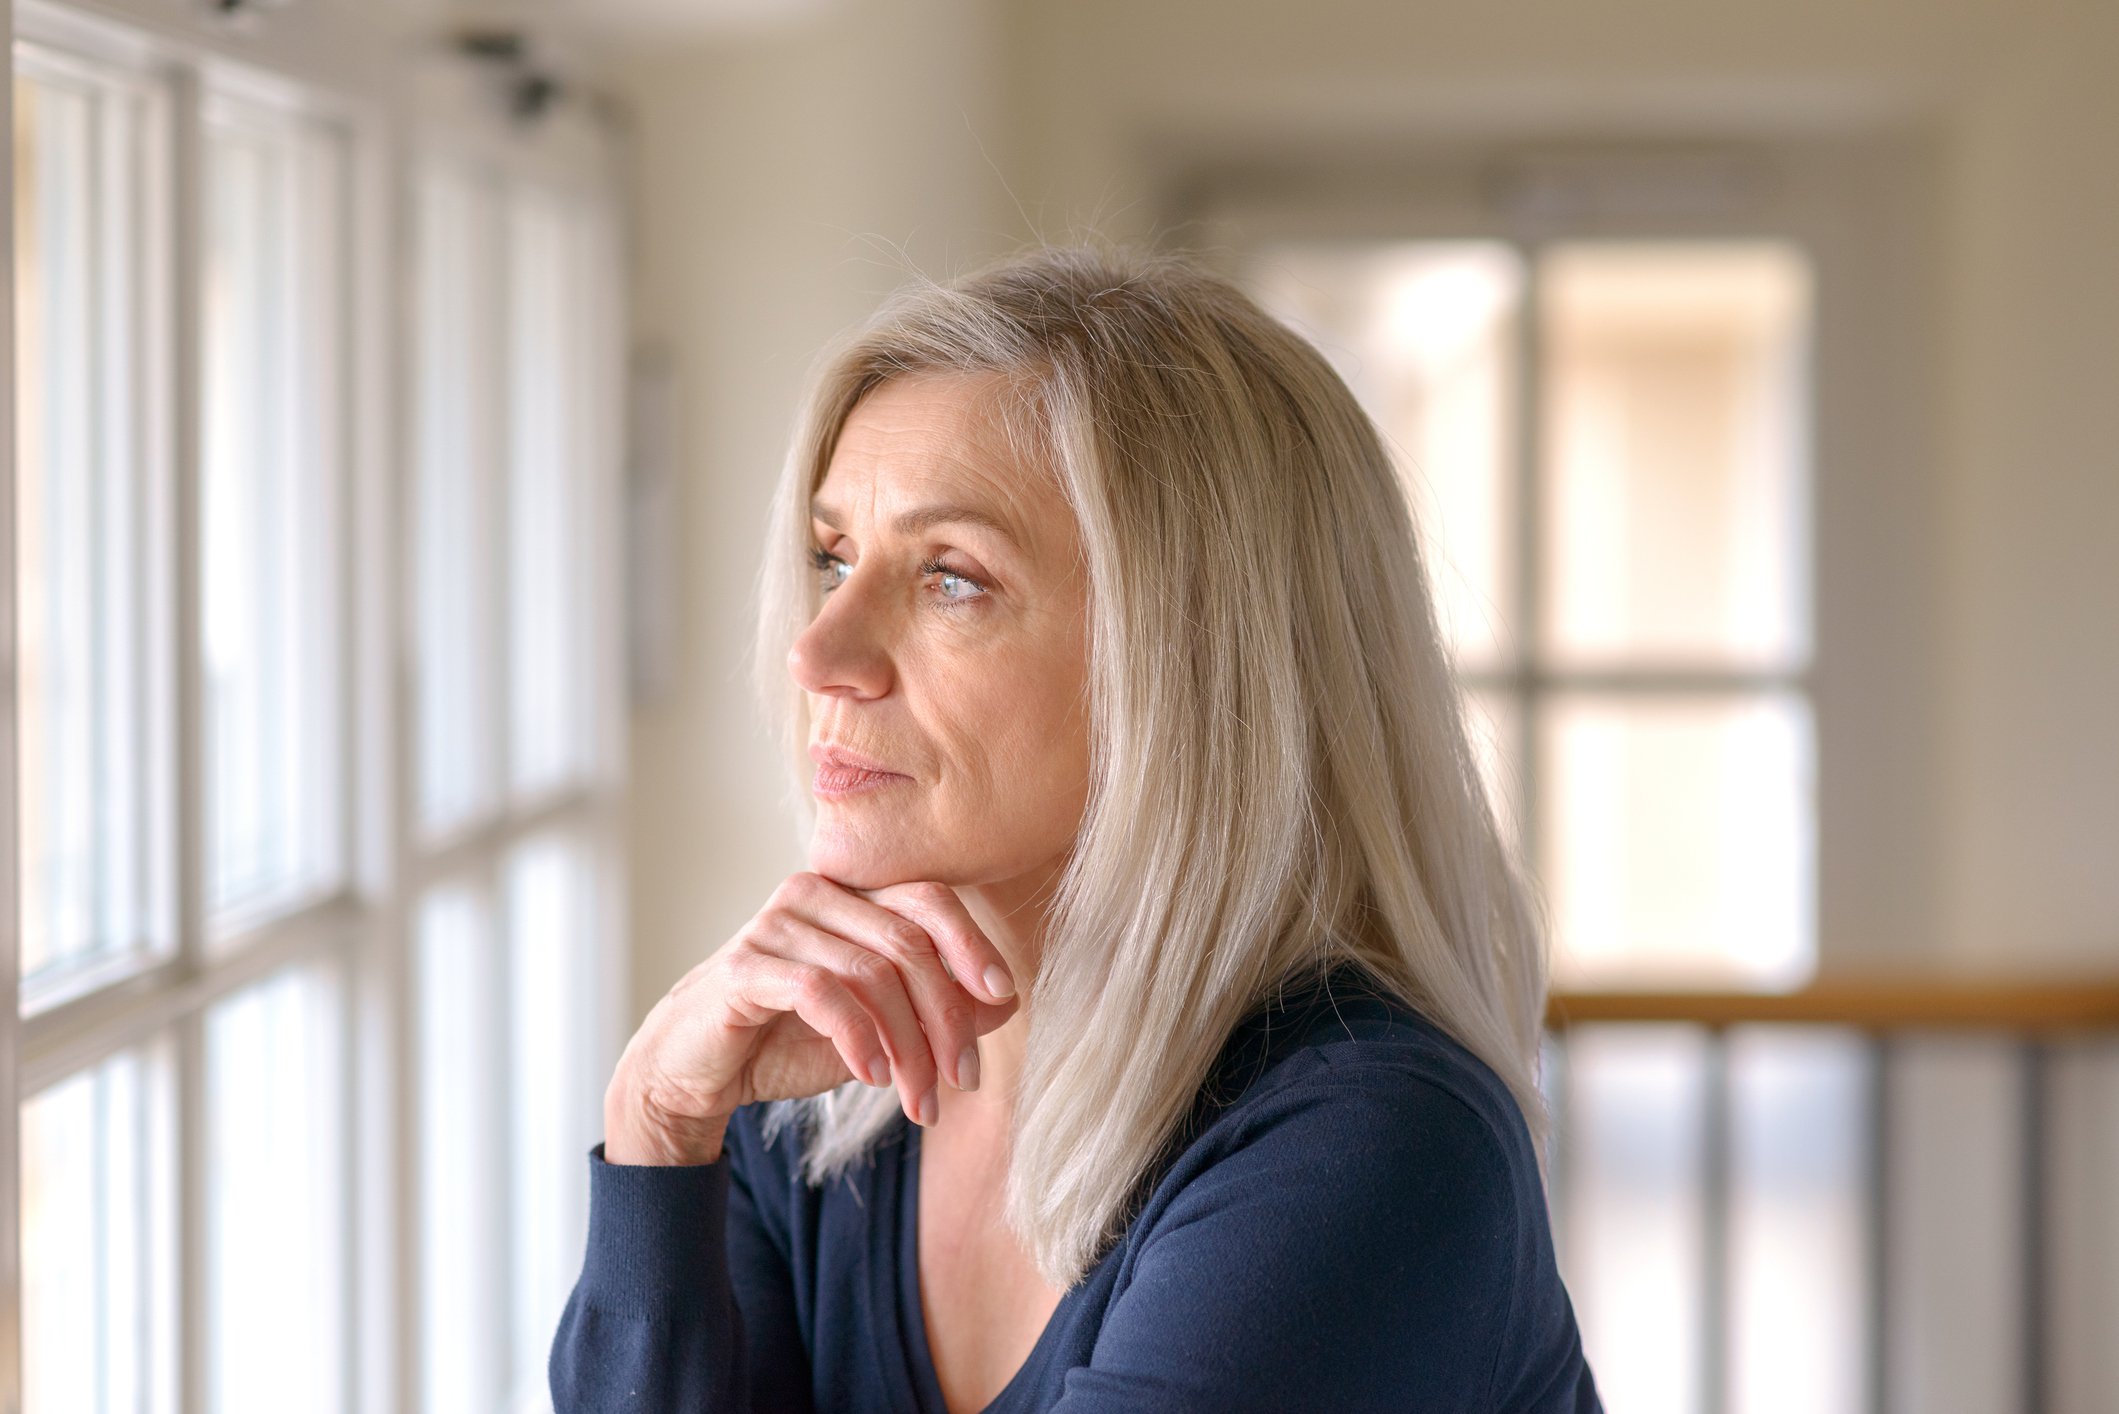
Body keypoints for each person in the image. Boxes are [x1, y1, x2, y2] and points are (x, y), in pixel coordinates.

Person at [549, 242, 1603, 1412]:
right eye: (832, 558)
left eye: (951, 576)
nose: (818, 651)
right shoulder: (813, 1114)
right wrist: (654, 1124)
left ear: (1193, 664)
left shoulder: (1370, 1145)